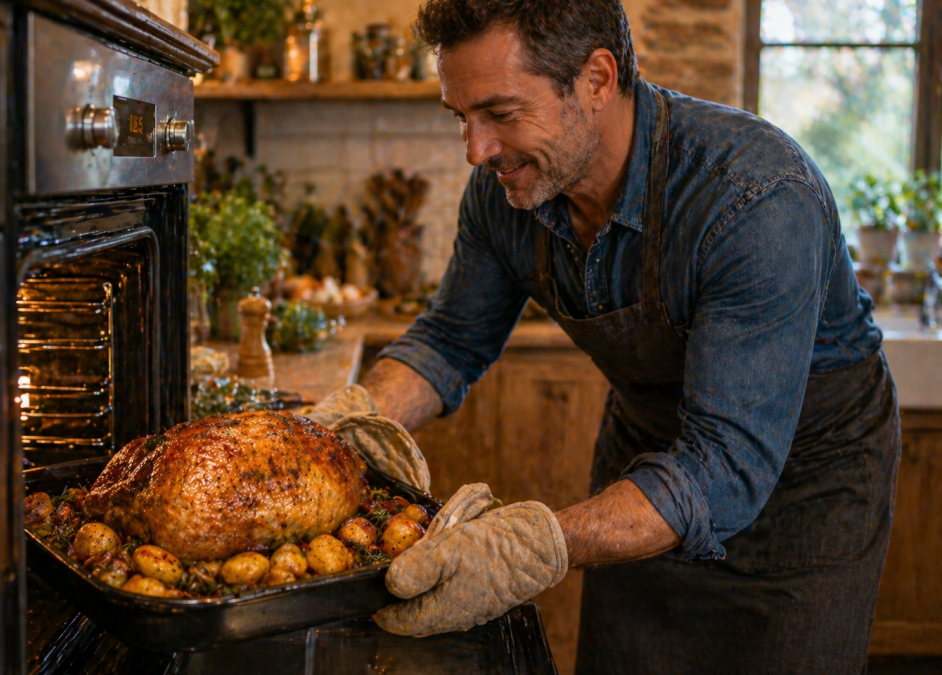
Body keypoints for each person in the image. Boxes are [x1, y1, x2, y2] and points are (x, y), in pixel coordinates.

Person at [307, 1, 900, 672]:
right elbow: (449, 339)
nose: (476, 150)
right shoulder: (507, 191)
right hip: (646, 460)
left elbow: (725, 464)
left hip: (806, 491)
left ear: (596, 79)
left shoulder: (754, 196)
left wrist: (529, 547)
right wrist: (335, 432)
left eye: (501, 113)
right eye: (461, 117)